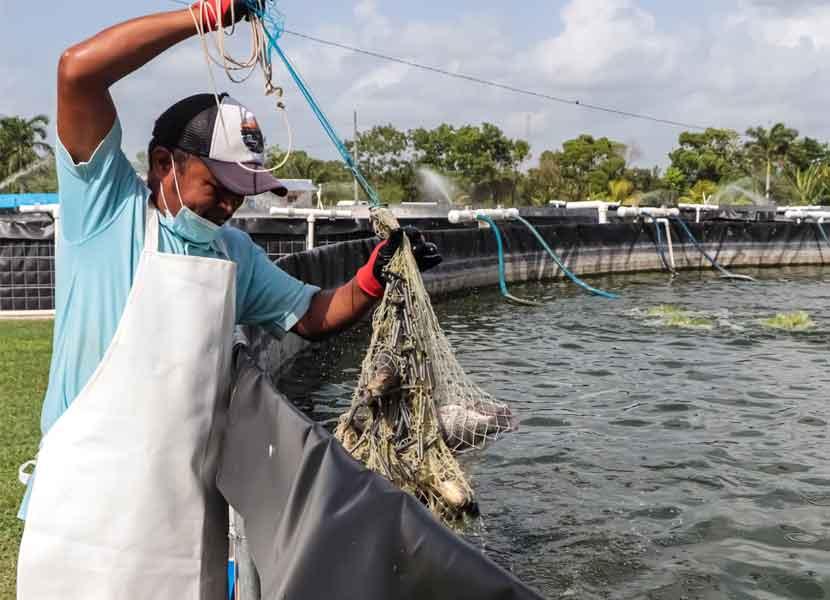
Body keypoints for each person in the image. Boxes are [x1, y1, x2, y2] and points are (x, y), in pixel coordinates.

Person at [16, 2, 440, 598]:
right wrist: (205, 16)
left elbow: (314, 316)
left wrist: (378, 273)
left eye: (244, 192)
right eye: (220, 186)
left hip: (182, 521)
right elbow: (77, 71)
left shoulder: (232, 252)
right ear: (164, 163)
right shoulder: (105, 212)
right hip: (82, 512)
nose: (230, 206)